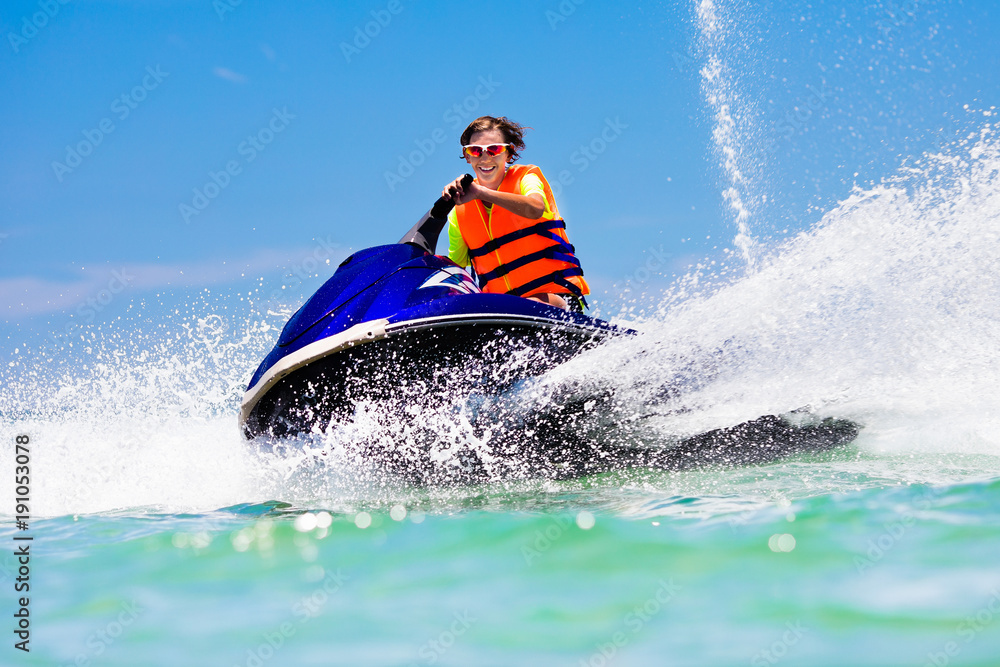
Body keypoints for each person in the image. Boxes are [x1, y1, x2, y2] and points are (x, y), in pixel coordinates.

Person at [441, 116, 590, 310]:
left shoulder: (527, 179)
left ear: (509, 154)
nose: (485, 158)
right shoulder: (458, 213)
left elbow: (536, 208)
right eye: (476, 151)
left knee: (524, 307)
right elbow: (456, 271)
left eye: (494, 149)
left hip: (559, 299)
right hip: (502, 314)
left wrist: (480, 192)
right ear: (467, 156)